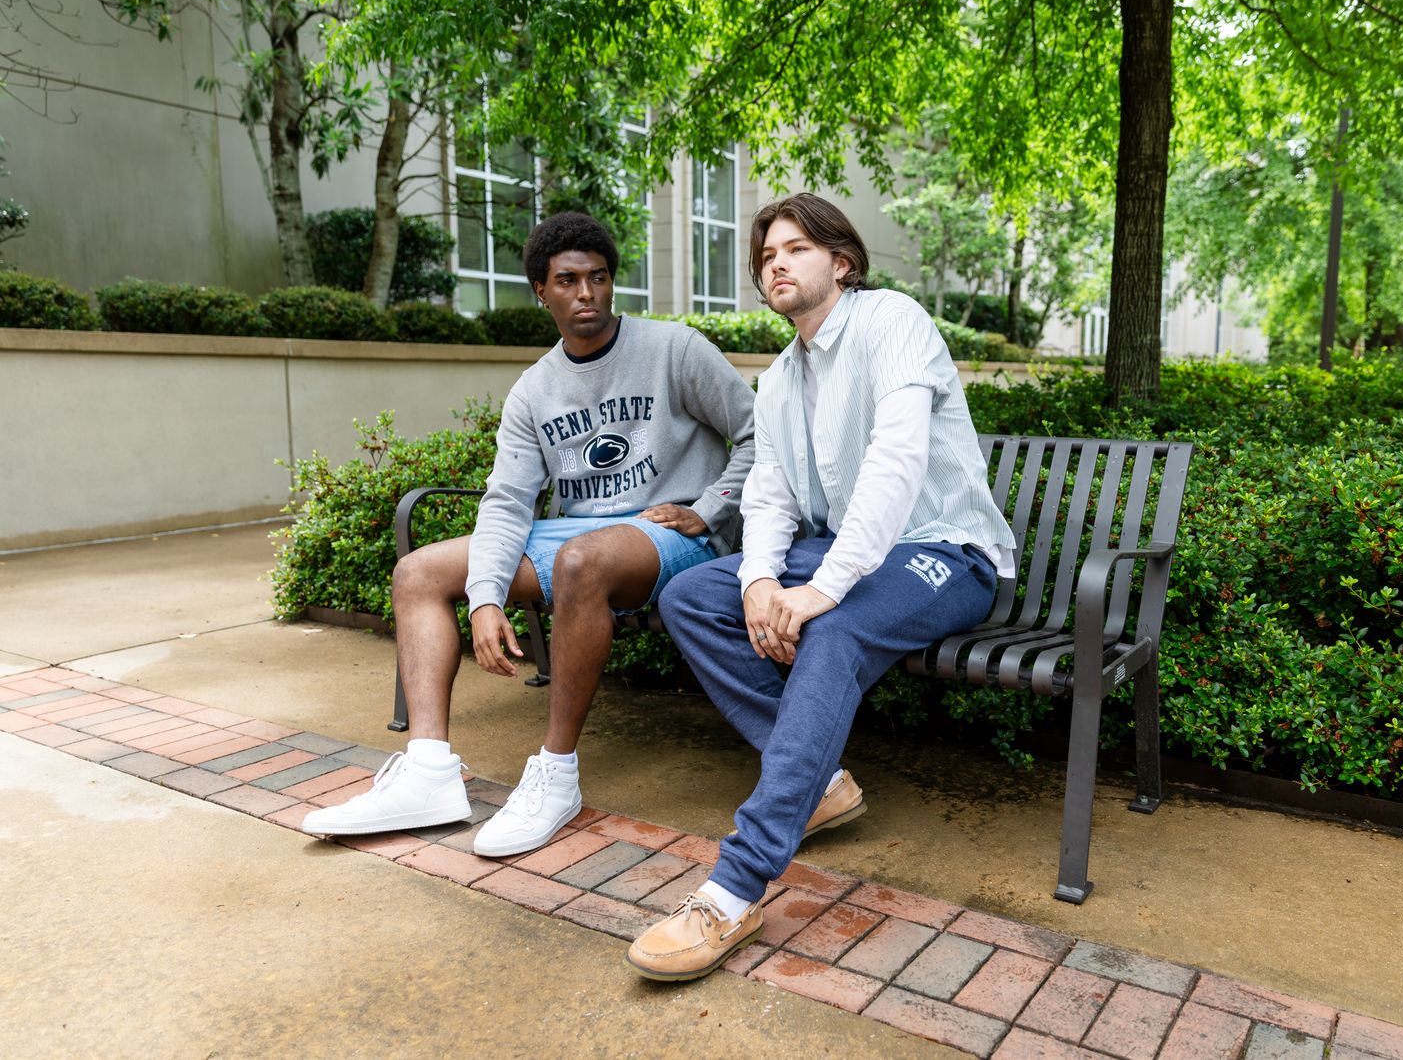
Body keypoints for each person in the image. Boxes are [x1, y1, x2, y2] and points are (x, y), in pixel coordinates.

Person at [626, 194, 1016, 981]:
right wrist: (761, 581)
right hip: (848, 552)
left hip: (948, 552)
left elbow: (896, 463)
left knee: (833, 631)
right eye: (767, 253)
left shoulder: (891, 323)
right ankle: (821, 782)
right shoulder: (777, 378)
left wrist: (823, 589)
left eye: (797, 248)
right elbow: (768, 493)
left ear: (840, 262)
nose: (777, 262)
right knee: (691, 597)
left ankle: (734, 887)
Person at [302, 211, 756, 857]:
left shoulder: (674, 350)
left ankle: (555, 774)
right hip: (578, 538)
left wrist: (709, 508)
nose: (587, 294)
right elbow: (508, 501)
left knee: (578, 560)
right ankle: (429, 770)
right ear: (540, 291)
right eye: (568, 281)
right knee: (418, 573)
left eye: (599, 278)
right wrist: (485, 596)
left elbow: (760, 432)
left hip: (673, 536)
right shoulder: (534, 391)